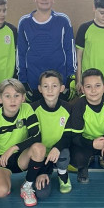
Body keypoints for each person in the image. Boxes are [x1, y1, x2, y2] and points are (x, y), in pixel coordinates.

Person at [0, 79, 46, 207]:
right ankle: (4, 180)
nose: (12, 100)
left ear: (23, 98)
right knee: (0, 192)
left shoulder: (26, 109)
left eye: (16, 95)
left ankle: (27, 186)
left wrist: (12, 149)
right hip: (1, 160)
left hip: (20, 157)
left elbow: (36, 136)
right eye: (7, 96)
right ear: (0, 99)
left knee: (39, 148)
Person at [17, 0, 76, 103]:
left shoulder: (63, 20)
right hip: (33, 82)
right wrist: (22, 81)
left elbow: (70, 49)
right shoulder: (24, 22)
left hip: (59, 82)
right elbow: (20, 53)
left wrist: (71, 76)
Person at [31, 70, 73, 199]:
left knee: (64, 152)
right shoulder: (32, 109)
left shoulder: (69, 108)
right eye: (45, 86)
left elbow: (69, 136)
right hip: (39, 155)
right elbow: (31, 139)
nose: (50, 90)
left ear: (62, 88)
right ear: (40, 89)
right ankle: (42, 172)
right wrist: (42, 171)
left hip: (59, 151)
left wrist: (57, 148)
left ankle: (63, 173)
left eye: (54, 86)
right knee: (42, 194)